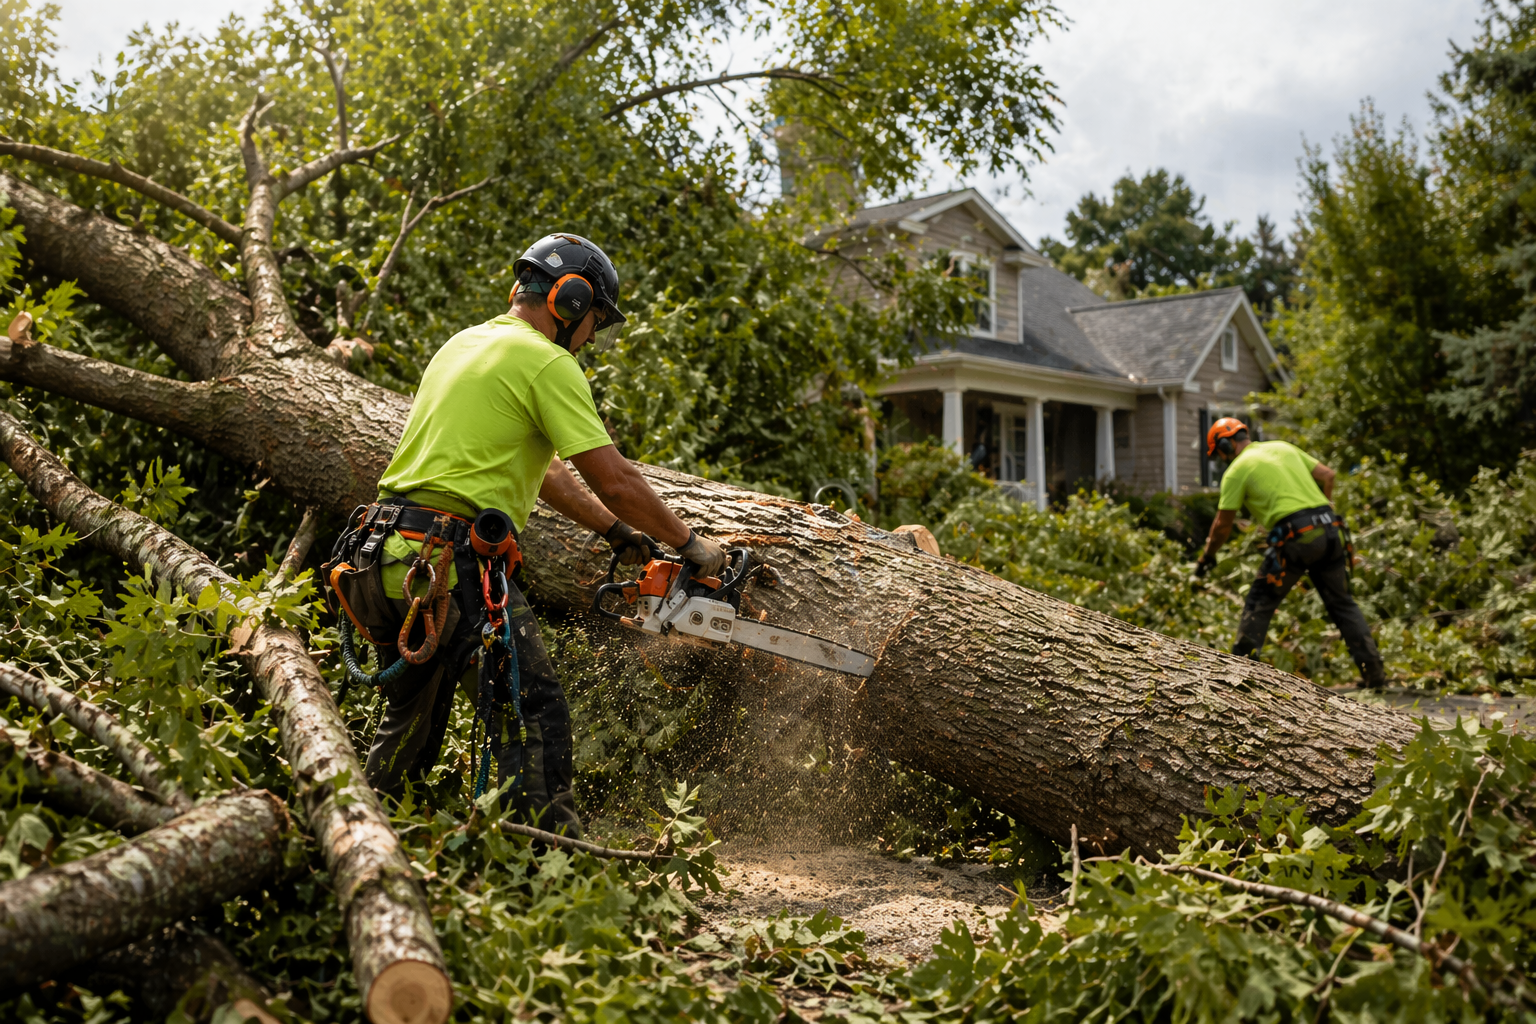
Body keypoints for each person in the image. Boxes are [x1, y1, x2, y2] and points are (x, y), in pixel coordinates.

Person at [326, 233, 727, 835]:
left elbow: (551, 477)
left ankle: (360, 843)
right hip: (448, 563)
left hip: (384, 555)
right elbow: (613, 477)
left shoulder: (463, 344)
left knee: (410, 724)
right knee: (533, 714)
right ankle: (549, 874)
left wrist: (615, 531)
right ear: (570, 300)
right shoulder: (547, 360)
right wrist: (690, 543)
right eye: (595, 321)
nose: (591, 337)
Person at [1194, 417, 1387, 689]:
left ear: (1224, 444)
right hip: (1331, 530)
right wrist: (1325, 506)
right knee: (1342, 603)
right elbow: (1328, 475)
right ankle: (1375, 674)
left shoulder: (1236, 470)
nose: (1222, 458)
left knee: (1259, 603)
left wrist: (1207, 556)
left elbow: (1222, 526)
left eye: (1219, 453)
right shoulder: (1283, 447)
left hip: (1297, 537)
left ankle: (1239, 678)